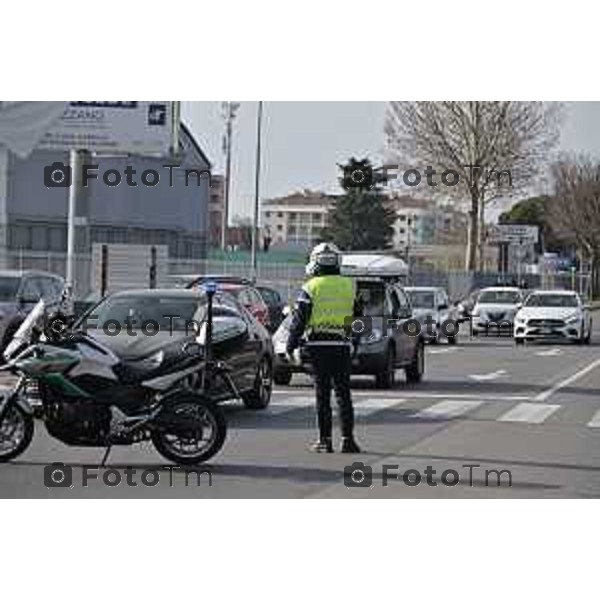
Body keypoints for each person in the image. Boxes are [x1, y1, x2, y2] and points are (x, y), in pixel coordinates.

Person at [286, 242, 362, 453]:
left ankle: (324, 441)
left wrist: (291, 345)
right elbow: (358, 320)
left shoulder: (310, 287)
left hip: (317, 345)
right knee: (343, 394)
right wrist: (355, 342)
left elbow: (299, 321)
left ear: (315, 262)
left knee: (322, 394)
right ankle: (348, 440)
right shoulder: (351, 285)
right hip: (342, 345)